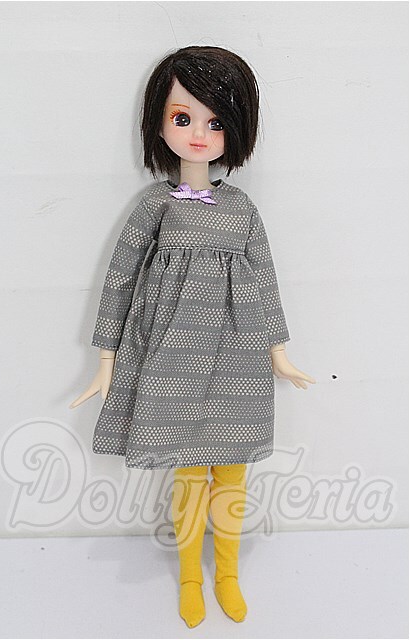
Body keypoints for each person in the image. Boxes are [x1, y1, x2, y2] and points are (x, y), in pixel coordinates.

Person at [70, 45, 316, 627]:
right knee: (188, 473)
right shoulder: (155, 205)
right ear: (159, 123)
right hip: (174, 355)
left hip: (238, 354)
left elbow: (264, 277)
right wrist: (106, 356)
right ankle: (188, 575)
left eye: (216, 121)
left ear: (237, 129)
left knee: (232, 474)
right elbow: (121, 276)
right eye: (183, 118)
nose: (200, 135)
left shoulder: (242, 209)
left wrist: (279, 350)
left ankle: (226, 573)